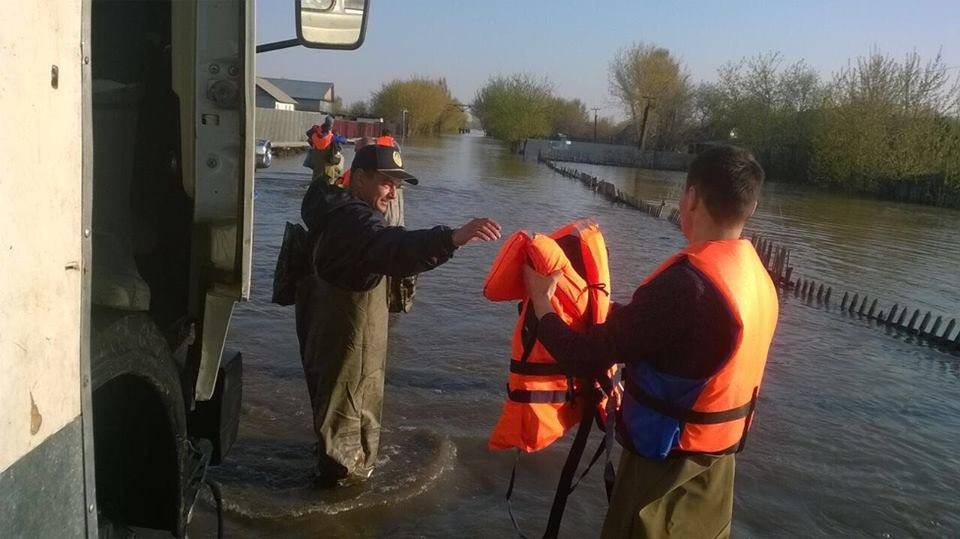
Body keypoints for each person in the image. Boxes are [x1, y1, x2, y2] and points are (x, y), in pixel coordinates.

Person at [522, 145, 779, 538]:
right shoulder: (756, 279)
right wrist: (595, 304)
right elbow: (672, 332)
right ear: (752, 207)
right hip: (716, 471)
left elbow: (582, 357)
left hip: (664, 474)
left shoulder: (685, 286)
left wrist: (543, 305)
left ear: (690, 198)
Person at [296, 144, 501, 487]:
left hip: (325, 337)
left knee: (331, 414)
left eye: (398, 187)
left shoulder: (328, 204)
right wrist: (452, 238)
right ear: (359, 178)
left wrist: (325, 165)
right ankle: (338, 496)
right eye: (386, 183)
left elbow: (323, 186)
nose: (393, 194)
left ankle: (333, 469)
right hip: (348, 350)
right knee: (346, 444)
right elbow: (397, 248)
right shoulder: (356, 224)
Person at [305, 115, 348, 184]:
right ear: (330, 126)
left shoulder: (315, 133)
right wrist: (339, 136)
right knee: (327, 177)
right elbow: (344, 141)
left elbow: (308, 133)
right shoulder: (331, 136)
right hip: (326, 157)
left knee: (316, 176)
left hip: (316, 156)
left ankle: (313, 188)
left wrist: (315, 129)